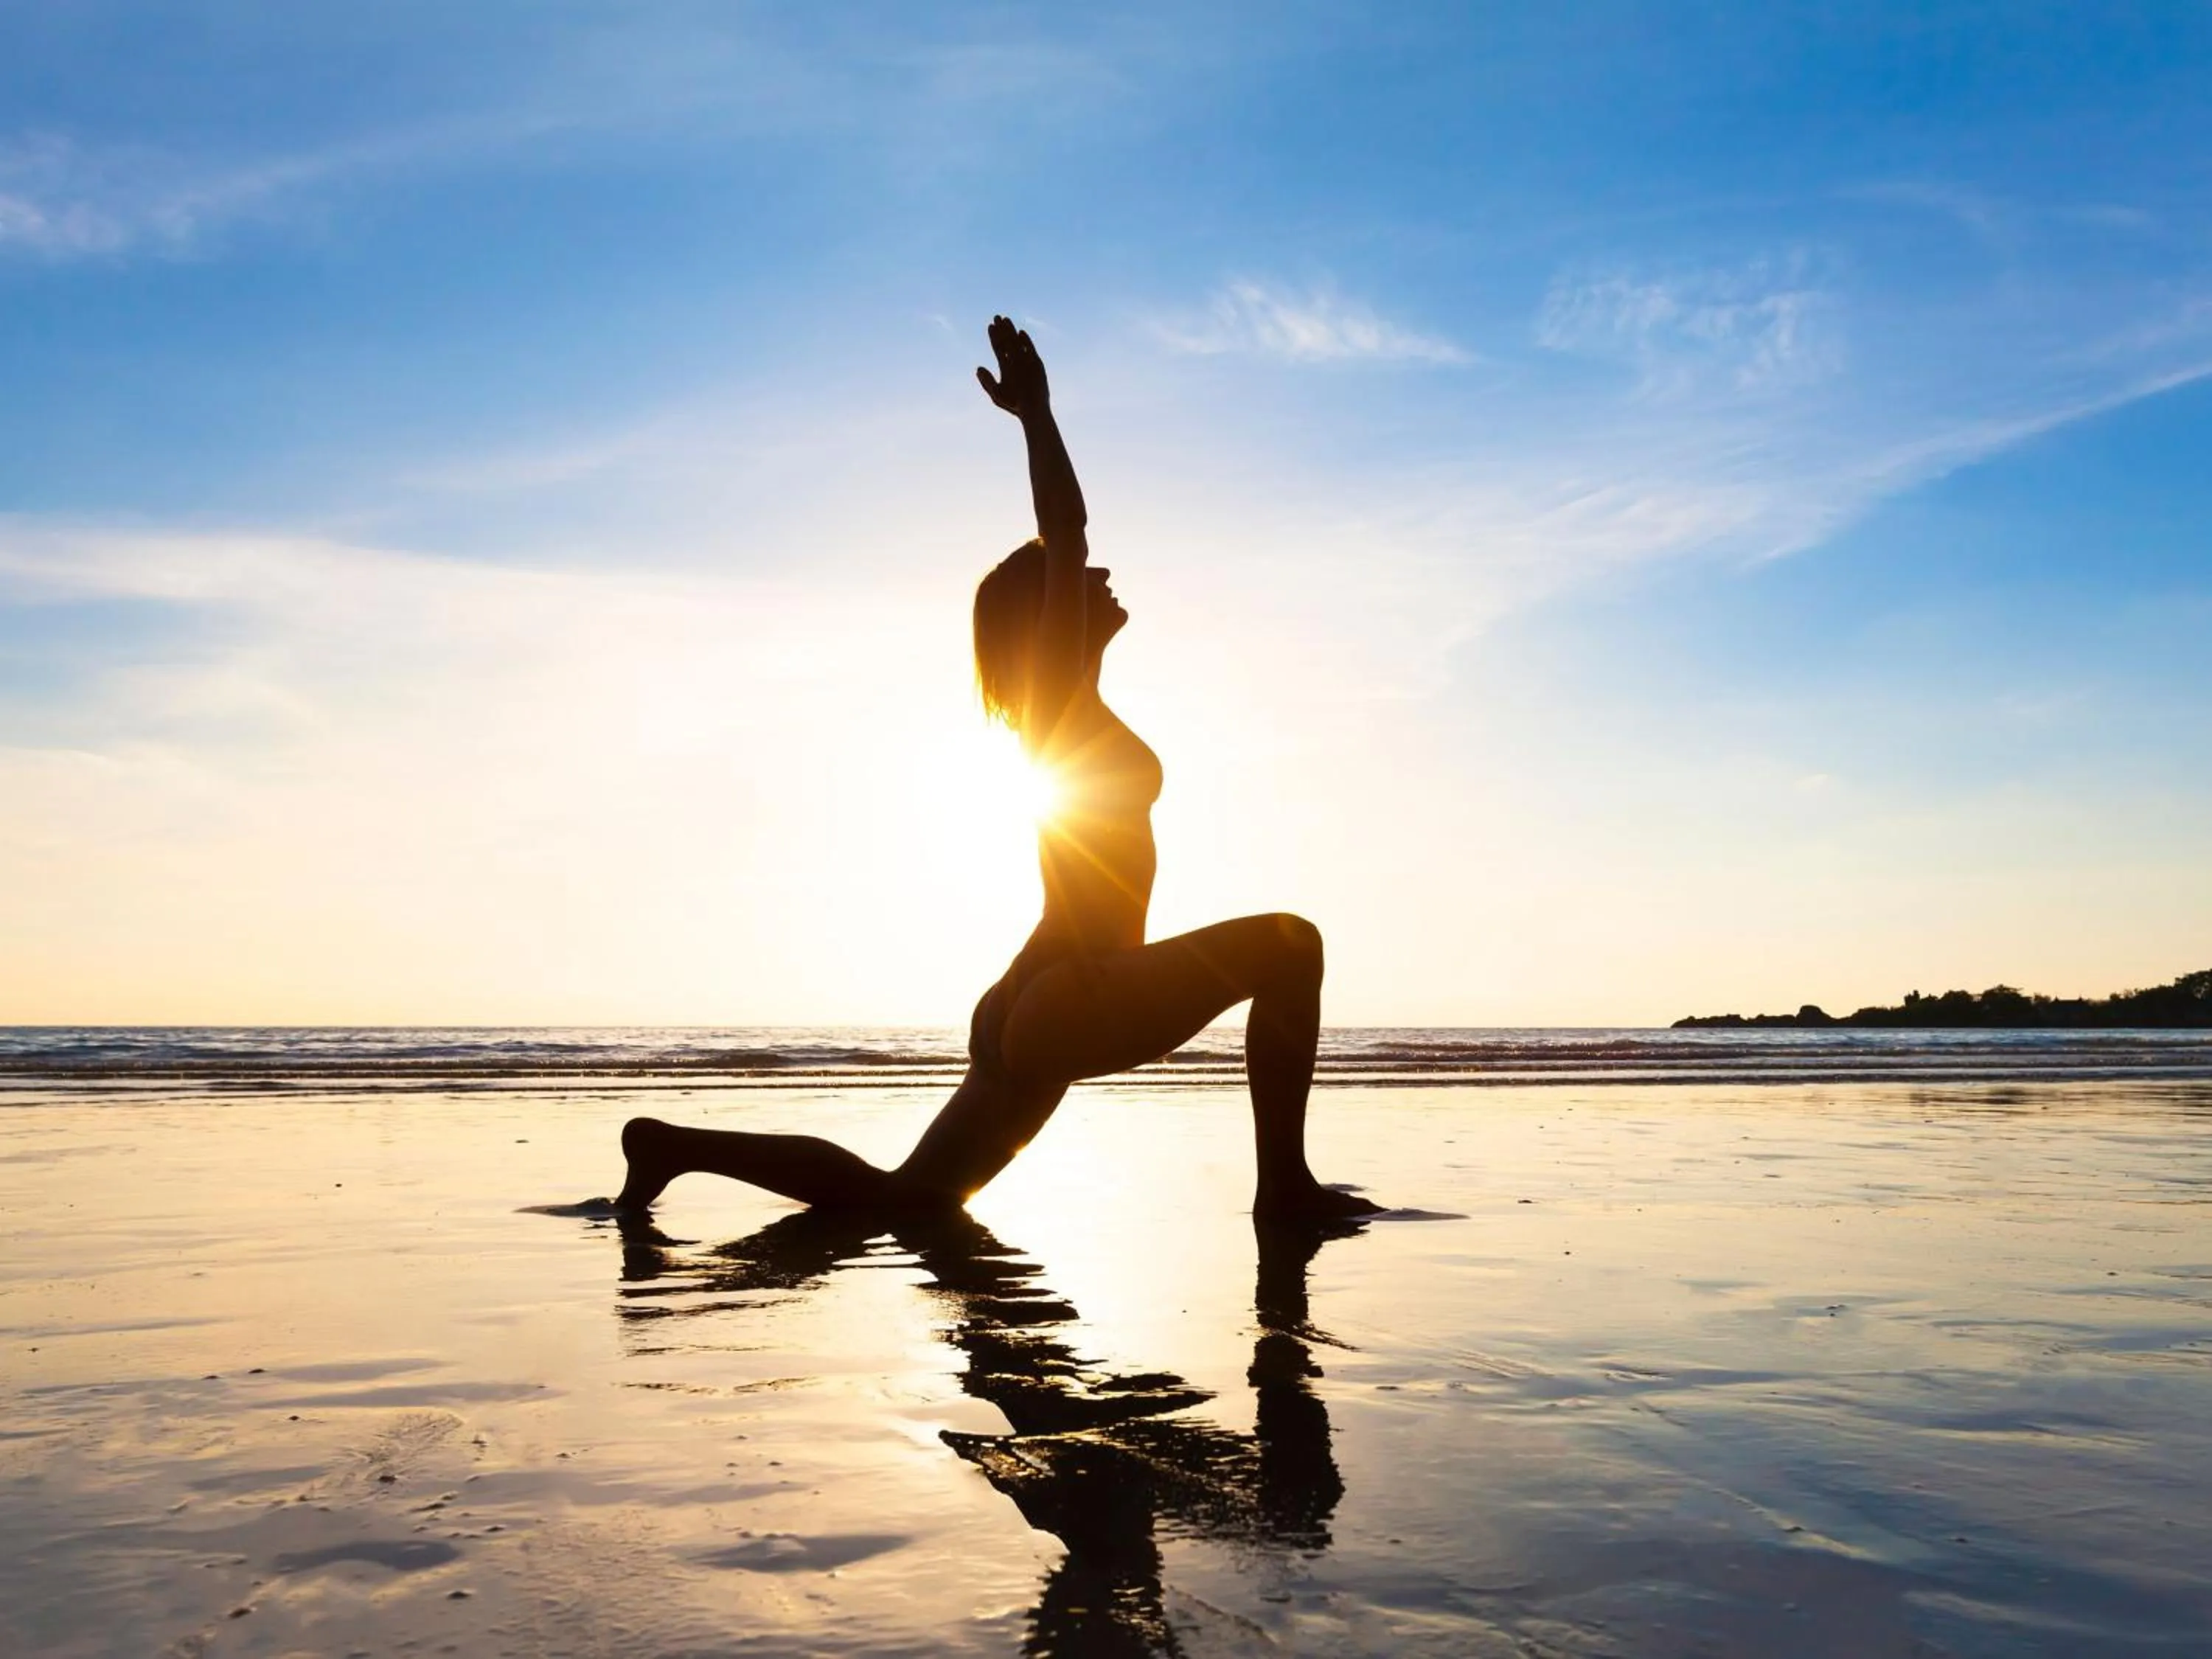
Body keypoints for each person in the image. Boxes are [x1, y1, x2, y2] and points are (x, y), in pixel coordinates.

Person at [612, 316, 1378, 1222]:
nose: (1096, 579)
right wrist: (1037, 418)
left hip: (1038, 990)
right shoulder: (1057, 701)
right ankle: (1283, 1189)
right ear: (1043, 618)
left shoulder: (1065, 714)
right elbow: (1069, 527)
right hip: (1079, 988)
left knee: (912, 1202)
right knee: (1293, 944)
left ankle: (671, 1147)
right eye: (1070, 582)